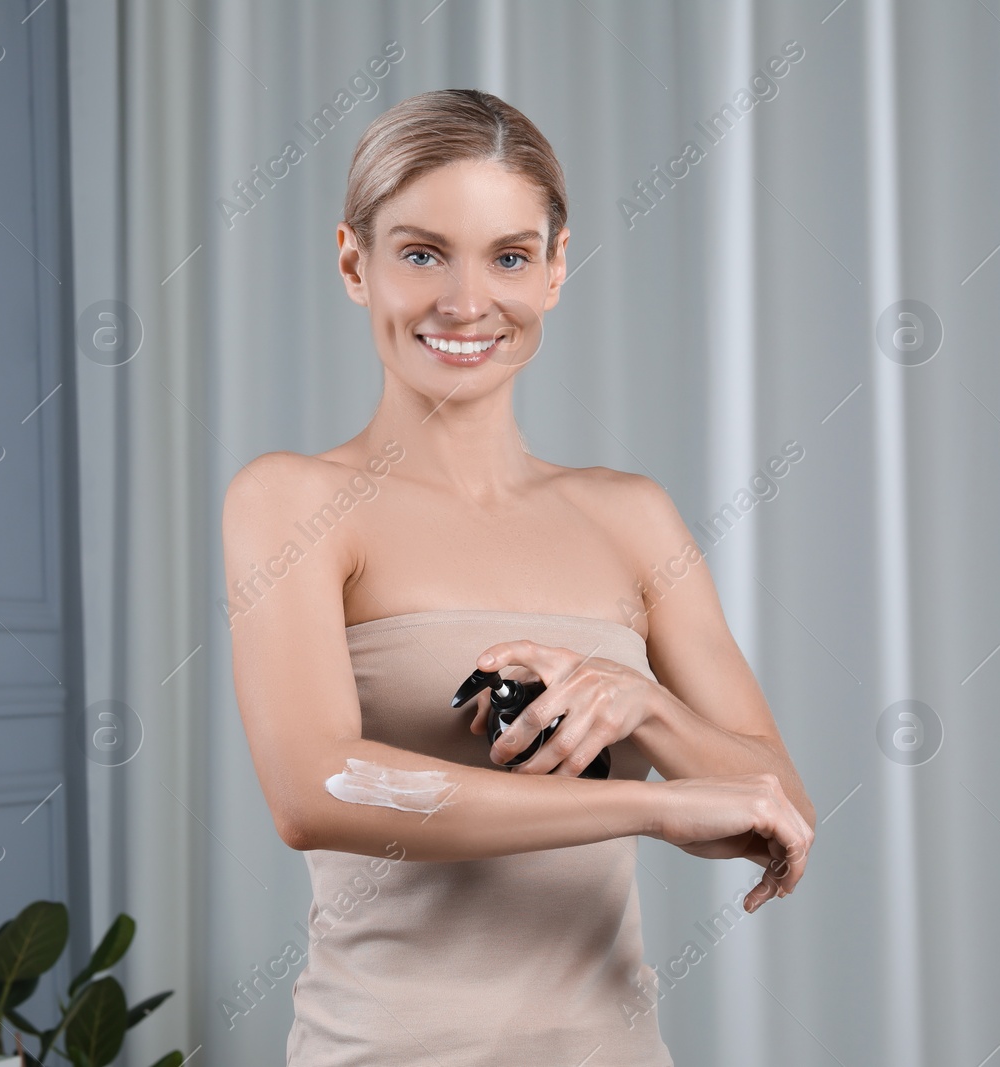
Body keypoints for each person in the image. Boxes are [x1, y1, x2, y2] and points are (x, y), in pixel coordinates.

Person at [222, 88, 815, 1066]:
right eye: (421, 253)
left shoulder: (630, 515)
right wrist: (652, 803)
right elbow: (315, 787)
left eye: (507, 256)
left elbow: (771, 807)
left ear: (554, 269)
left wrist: (644, 706)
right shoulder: (290, 499)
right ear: (351, 262)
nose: (465, 302)